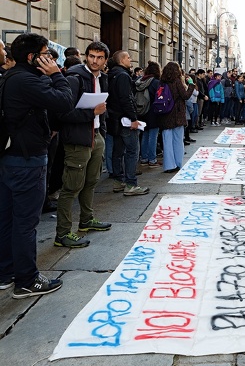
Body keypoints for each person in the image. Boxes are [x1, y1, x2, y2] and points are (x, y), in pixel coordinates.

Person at [0, 32, 74, 298]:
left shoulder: (10, 76)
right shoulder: (27, 80)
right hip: (27, 160)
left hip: (11, 157)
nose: (48, 58)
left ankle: (6, 272)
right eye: (44, 54)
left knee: (8, 218)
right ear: (32, 57)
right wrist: (56, 74)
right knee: (25, 222)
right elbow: (64, 102)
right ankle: (27, 280)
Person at [54, 41, 111, 248]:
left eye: (99, 57)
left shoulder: (102, 78)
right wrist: (91, 114)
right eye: (92, 56)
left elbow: (102, 108)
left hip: (95, 135)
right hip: (77, 139)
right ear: (86, 56)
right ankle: (62, 234)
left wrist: (100, 130)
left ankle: (86, 220)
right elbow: (62, 112)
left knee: (91, 181)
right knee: (71, 187)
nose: (95, 61)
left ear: (105, 60)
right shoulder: (75, 78)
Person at [107, 50, 150, 195]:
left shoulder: (110, 74)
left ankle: (118, 181)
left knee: (117, 151)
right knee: (132, 151)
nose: (130, 60)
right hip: (125, 120)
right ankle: (131, 184)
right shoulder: (123, 75)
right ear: (122, 60)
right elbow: (126, 99)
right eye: (128, 58)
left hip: (114, 119)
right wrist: (133, 119)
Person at [158, 62, 194, 173]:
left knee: (167, 140)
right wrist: (191, 85)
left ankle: (169, 165)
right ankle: (178, 163)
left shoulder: (162, 82)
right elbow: (185, 96)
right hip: (177, 113)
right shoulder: (177, 81)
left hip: (165, 113)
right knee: (178, 140)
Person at [137, 61, 161, 167]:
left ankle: (144, 158)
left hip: (142, 110)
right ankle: (152, 159)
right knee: (153, 136)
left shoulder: (141, 81)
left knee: (145, 135)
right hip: (153, 111)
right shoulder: (156, 82)